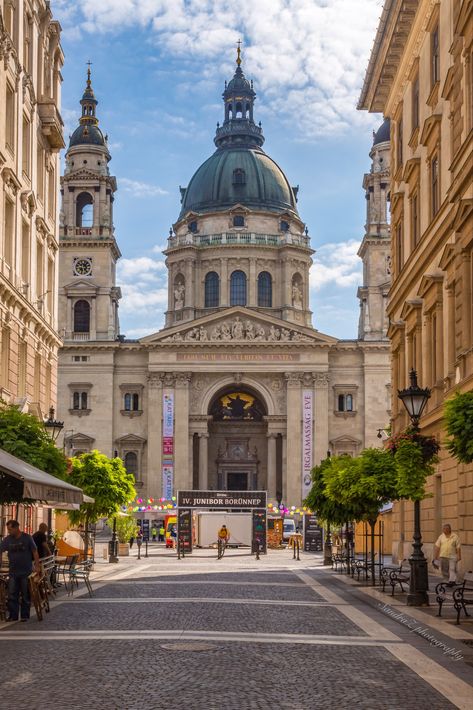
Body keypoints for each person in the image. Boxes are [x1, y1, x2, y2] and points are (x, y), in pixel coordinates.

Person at [0, 520, 41, 622]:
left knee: (25, 594)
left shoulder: (27, 538)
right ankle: (13, 615)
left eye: (10, 529)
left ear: (16, 528)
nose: (8, 531)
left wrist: (37, 565)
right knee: (12, 594)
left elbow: (34, 551)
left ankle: (24, 615)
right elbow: (0, 550)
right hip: (13, 571)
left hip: (26, 571)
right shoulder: (7, 540)